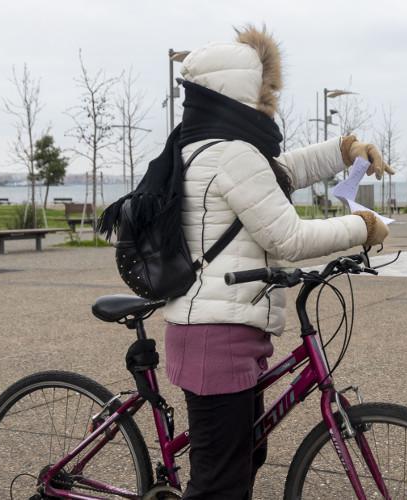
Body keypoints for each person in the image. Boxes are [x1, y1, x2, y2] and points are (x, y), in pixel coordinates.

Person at [160, 27, 392, 499]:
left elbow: (280, 172)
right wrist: (363, 226)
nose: (271, 104)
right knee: (220, 484)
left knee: (243, 459)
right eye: (265, 93)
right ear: (241, 91)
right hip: (215, 336)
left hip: (223, 330)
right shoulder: (231, 155)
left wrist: (344, 150)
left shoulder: (211, 147)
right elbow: (287, 236)